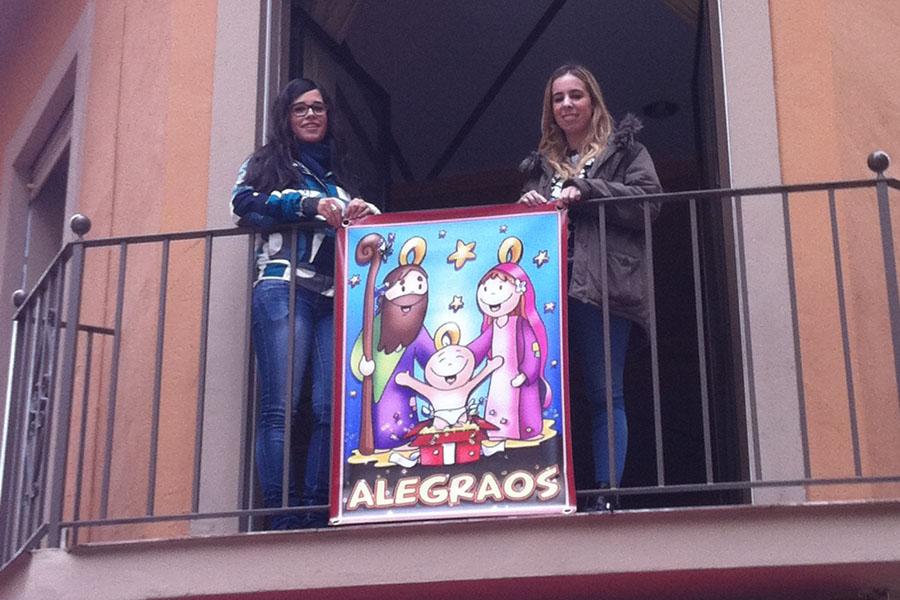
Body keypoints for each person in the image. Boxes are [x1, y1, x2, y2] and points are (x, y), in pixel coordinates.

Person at [231, 78, 378, 529]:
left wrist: (365, 215)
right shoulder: (268, 162)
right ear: (286, 117)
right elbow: (240, 201)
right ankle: (280, 512)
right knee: (281, 406)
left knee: (329, 407)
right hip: (284, 286)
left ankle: (315, 507)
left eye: (318, 107)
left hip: (333, 295)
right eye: (301, 109)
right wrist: (309, 204)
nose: (312, 115)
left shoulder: (340, 174)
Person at [517, 64, 662, 508]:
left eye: (575, 96)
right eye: (558, 98)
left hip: (602, 287)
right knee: (543, 393)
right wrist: (526, 206)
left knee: (605, 393)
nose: (567, 105)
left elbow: (649, 202)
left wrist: (588, 188)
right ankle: (545, 490)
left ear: (593, 101)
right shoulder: (540, 167)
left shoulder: (625, 151)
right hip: (548, 292)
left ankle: (607, 495)